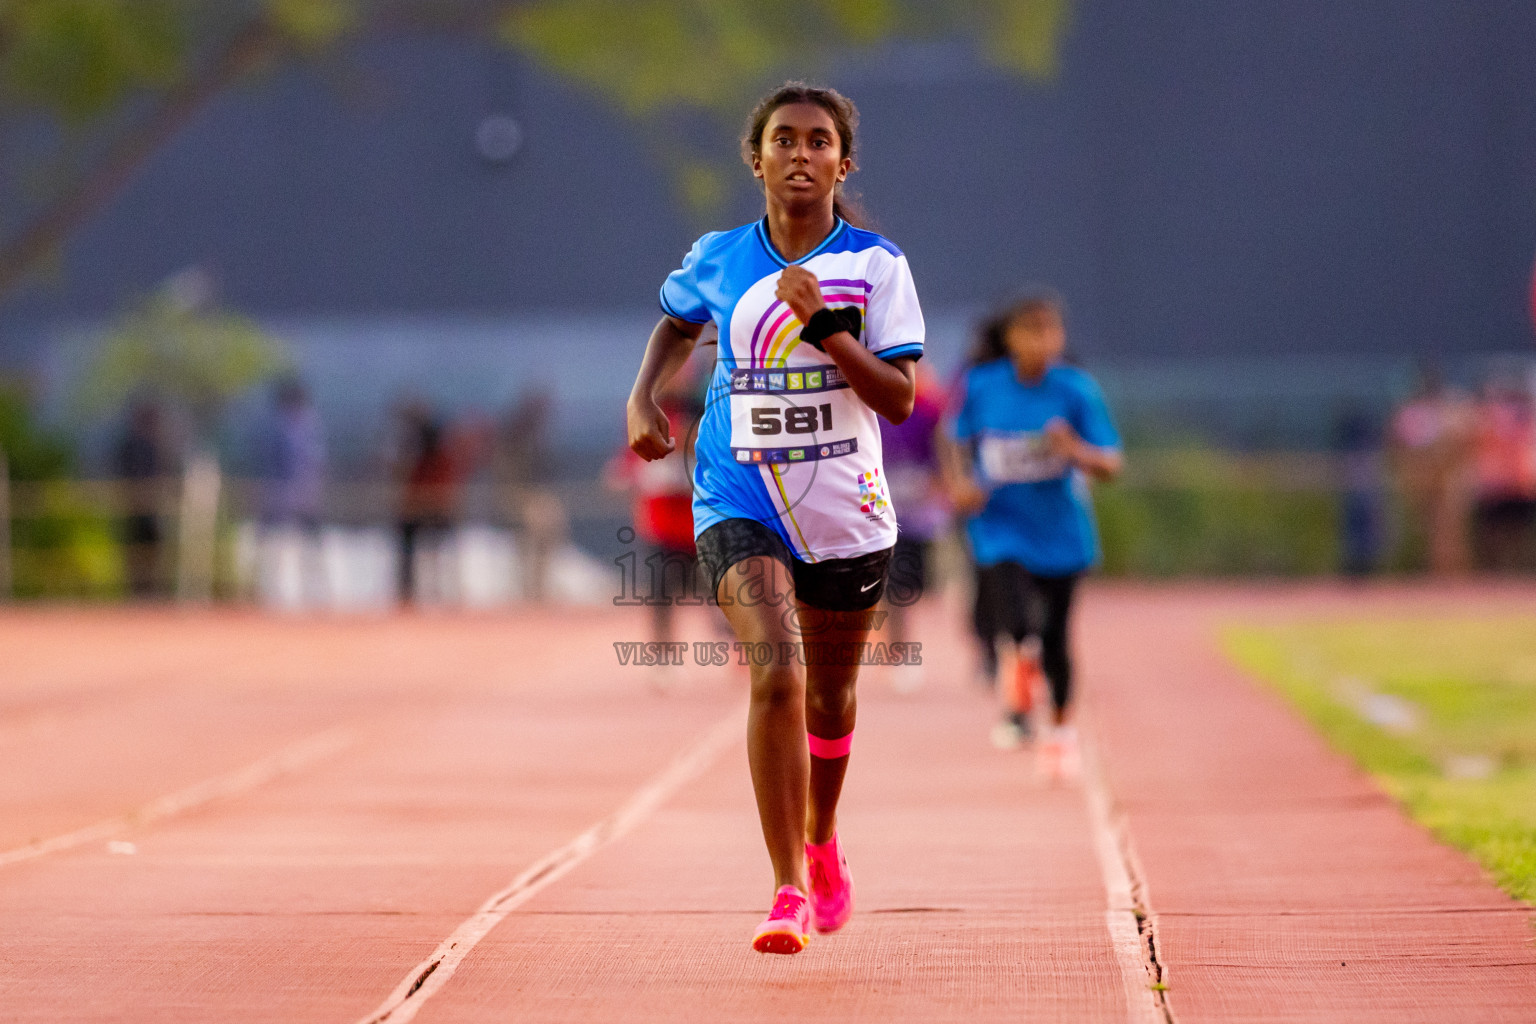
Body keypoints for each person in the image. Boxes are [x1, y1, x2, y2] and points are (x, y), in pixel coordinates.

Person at [626, 82, 923, 954]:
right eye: (784, 140)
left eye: (820, 141)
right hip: (736, 494)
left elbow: (899, 399)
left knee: (831, 698)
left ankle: (823, 843)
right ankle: (787, 887)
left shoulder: (877, 267)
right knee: (778, 675)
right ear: (755, 160)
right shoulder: (718, 257)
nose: (802, 154)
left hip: (844, 511)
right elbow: (675, 326)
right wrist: (642, 399)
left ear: (844, 161)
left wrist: (826, 328)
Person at [941, 291, 1122, 777]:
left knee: (1057, 637)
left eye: (1052, 332)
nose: (1044, 342)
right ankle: (1018, 665)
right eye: (1033, 331)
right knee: (1015, 619)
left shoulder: (1075, 390)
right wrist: (959, 483)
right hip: (1001, 525)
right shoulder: (983, 385)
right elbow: (953, 436)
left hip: (1061, 532)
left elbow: (1111, 463)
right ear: (1012, 338)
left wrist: (1075, 450)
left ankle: (1061, 732)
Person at [878, 362, 950, 692]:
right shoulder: (871, 404)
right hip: (878, 510)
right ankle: (899, 651)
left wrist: (941, 482)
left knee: (911, 586)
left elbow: (942, 450)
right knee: (894, 586)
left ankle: (897, 642)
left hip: (918, 511)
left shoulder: (930, 408)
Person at [1389, 365, 1474, 575]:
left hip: (1448, 475)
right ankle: (1436, 571)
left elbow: (1465, 441)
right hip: (1423, 475)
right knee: (1430, 528)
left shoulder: (1450, 409)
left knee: (1449, 528)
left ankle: (1452, 572)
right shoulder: (1414, 412)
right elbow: (1400, 444)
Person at [1470, 375, 1536, 572]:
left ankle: (1518, 569)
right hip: (1496, 487)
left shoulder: (1525, 424)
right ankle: (1496, 570)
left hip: (1519, 486)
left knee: (1517, 531)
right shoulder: (1489, 423)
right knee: (1494, 532)